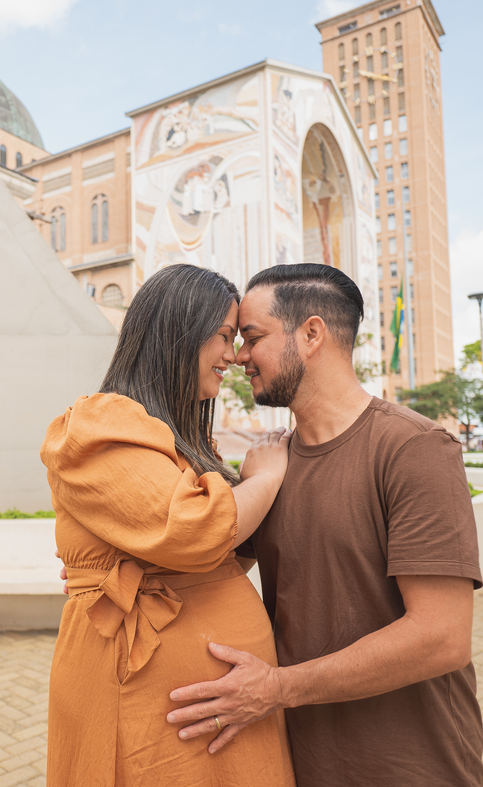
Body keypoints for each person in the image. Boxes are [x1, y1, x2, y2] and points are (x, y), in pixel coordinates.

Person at [165, 263, 483, 787]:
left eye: (253, 338)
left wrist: (276, 688)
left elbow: (442, 636)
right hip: (300, 764)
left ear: (311, 334)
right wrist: (116, 568)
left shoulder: (413, 449)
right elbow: (210, 571)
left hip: (411, 768)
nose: (239, 356)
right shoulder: (270, 467)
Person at [40, 264, 296, 787]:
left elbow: (224, 544)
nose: (233, 355)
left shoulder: (176, 437)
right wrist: (265, 478)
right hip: (142, 700)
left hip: (217, 712)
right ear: (179, 331)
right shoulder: (100, 424)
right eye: (224, 336)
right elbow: (195, 533)